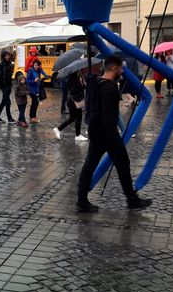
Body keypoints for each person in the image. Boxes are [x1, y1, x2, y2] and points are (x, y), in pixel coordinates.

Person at [77, 55, 152, 213]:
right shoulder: (109, 88)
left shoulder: (97, 82)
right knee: (121, 164)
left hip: (96, 130)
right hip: (106, 133)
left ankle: (82, 200)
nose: (122, 71)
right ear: (113, 68)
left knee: (92, 164)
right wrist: (114, 137)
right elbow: (109, 116)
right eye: (120, 68)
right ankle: (131, 200)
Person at [53, 70, 87, 141]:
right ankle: (77, 135)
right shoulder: (73, 77)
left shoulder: (77, 76)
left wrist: (83, 84)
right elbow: (74, 89)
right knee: (77, 118)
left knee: (73, 118)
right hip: (74, 101)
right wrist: (82, 86)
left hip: (74, 100)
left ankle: (59, 129)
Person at [0, 51, 16, 123]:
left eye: (8, 55)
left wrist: (10, 84)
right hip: (4, 86)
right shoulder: (2, 65)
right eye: (6, 56)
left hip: (8, 85)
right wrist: (3, 85)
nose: (7, 57)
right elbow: (0, 76)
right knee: (7, 102)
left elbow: (9, 75)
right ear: (3, 56)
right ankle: (9, 118)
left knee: (4, 101)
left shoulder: (9, 64)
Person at [26, 59, 48, 123]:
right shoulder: (30, 70)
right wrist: (33, 81)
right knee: (35, 102)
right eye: (35, 65)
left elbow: (43, 73)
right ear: (33, 65)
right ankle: (33, 117)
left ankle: (31, 116)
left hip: (37, 89)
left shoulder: (39, 70)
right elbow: (27, 80)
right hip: (31, 89)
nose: (36, 66)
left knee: (34, 102)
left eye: (38, 65)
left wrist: (46, 76)